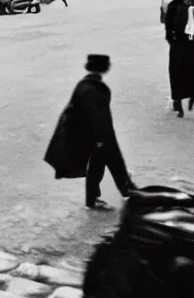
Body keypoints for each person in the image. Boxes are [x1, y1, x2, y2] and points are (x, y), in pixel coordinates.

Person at [44, 55, 136, 210]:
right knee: (104, 164)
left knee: (108, 163)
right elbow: (96, 116)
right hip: (99, 135)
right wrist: (100, 140)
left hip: (96, 134)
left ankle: (124, 190)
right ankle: (118, 193)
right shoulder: (91, 89)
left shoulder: (86, 85)